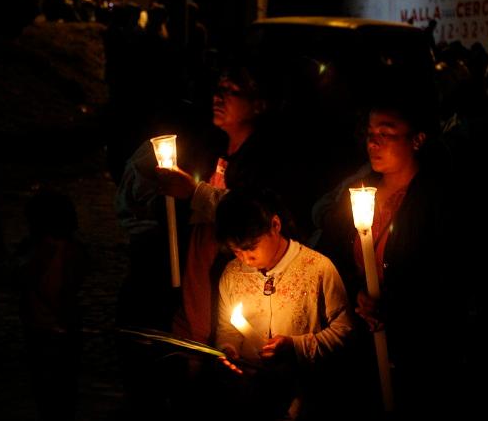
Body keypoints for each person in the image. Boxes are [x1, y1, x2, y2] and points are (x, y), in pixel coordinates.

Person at [115, 55, 276, 419]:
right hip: (193, 292)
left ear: (259, 104)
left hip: (230, 304)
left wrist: (194, 192)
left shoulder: (263, 161)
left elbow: (252, 217)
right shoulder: (216, 152)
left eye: (232, 92)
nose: (219, 97)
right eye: (218, 89)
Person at [313, 92, 469, 416]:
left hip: (419, 348)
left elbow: (450, 275)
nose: (374, 142)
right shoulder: (358, 193)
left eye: (386, 133)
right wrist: (356, 292)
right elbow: (330, 257)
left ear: (417, 139)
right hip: (360, 344)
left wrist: (397, 304)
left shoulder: (437, 200)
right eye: (370, 134)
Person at [214, 187, 353, 421]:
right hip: (251, 398)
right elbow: (227, 327)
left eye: (251, 248)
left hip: (308, 398)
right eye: (237, 251)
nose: (246, 259)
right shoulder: (232, 273)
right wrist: (228, 349)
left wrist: (295, 347)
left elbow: (344, 331)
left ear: (275, 225)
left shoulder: (317, 269)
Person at [15, 188, 89, 421]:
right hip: (65, 326)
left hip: (43, 329)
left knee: (48, 393)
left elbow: (30, 283)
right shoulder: (74, 250)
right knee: (65, 390)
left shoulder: (38, 252)